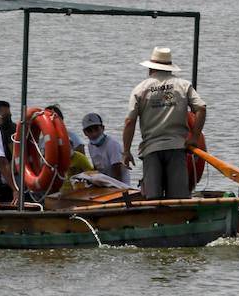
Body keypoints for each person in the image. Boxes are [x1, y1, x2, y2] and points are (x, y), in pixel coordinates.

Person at [122, 47, 206, 200]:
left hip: (151, 149)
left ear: (150, 69)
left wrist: (126, 151)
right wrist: (194, 137)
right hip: (177, 148)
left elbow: (129, 122)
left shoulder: (140, 89)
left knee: (154, 200)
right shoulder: (183, 85)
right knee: (178, 199)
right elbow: (201, 108)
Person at [82, 112, 130, 184]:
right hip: (103, 184)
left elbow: (118, 175)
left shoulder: (112, 145)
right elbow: (96, 169)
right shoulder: (90, 146)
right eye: (89, 131)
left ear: (103, 128)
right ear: (84, 133)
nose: (94, 134)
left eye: (96, 129)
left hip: (119, 185)